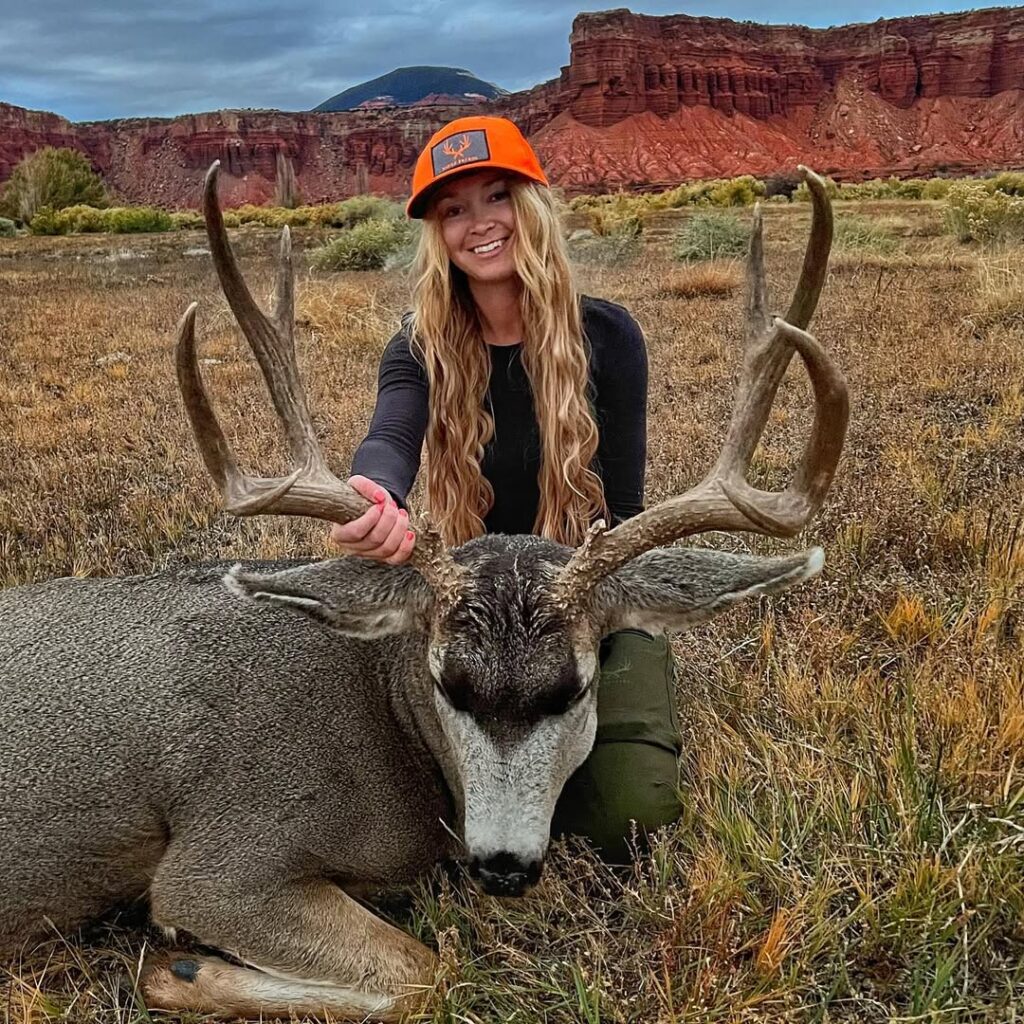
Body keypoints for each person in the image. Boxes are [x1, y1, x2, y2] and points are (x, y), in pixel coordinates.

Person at [329, 115, 682, 861]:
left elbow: (622, 513)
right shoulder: (418, 346)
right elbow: (392, 434)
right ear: (438, 234)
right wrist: (379, 495)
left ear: (532, 206)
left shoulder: (608, 338)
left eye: (496, 197)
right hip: (475, 609)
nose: (479, 224)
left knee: (627, 810)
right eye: (454, 210)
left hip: (580, 598)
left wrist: (584, 616)